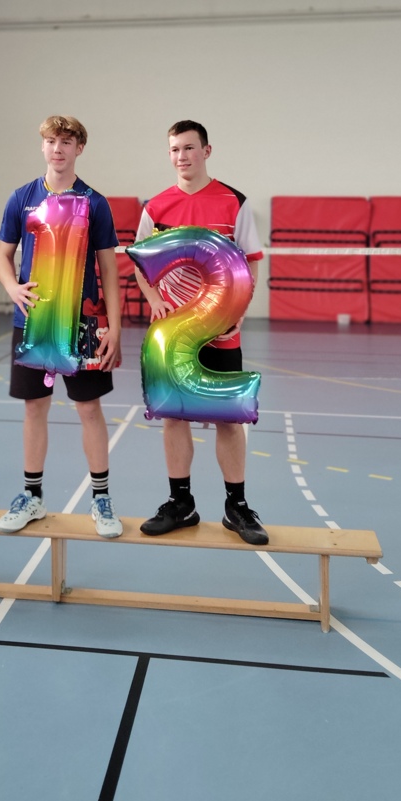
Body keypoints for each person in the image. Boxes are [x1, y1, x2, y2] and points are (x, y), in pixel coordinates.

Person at [133, 119, 268, 545]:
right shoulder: (156, 208)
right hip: (173, 335)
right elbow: (140, 265)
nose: (182, 156)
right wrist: (153, 300)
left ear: (206, 151)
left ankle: (237, 507)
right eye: (175, 149)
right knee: (174, 416)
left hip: (221, 331)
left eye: (189, 148)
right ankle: (181, 503)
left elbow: (252, 262)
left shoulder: (234, 202)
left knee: (229, 418)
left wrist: (240, 309)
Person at [0, 115, 123, 539]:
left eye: (67, 142)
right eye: (51, 141)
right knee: (35, 407)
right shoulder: (22, 198)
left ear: (79, 148)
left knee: (88, 408)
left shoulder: (95, 202)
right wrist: (12, 287)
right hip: (32, 321)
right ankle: (32, 496)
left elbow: (109, 269)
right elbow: (3, 255)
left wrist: (115, 326)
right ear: (43, 146)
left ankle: (101, 498)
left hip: (82, 323)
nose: (58, 149)